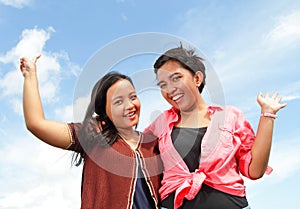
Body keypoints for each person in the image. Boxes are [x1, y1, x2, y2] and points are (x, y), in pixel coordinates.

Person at [144, 45, 287, 209]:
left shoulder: (230, 116)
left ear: (197, 79)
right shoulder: (160, 123)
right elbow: (134, 148)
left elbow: (254, 171)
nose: (170, 89)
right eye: (163, 84)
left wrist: (267, 116)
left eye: (176, 78)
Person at [20, 55, 163, 209]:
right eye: (118, 102)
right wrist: (30, 74)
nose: (129, 105)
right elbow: (36, 124)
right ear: (104, 110)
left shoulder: (153, 143)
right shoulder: (93, 133)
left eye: (133, 97)